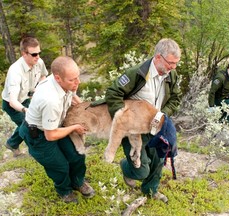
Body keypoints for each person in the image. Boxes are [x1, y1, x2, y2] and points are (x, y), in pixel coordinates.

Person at [105, 38, 182, 203]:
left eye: (176, 63)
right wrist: (123, 118)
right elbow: (113, 93)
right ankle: (126, 167)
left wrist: (161, 115)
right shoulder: (137, 73)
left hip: (156, 125)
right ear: (158, 57)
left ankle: (150, 191)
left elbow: (175, 99)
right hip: (134, 128)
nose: (173, 67)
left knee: (159, 158)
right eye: (171, 63)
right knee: (141, 170)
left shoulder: (172, 75)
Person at [18, 56, 95, 203]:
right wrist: (75, 127)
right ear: (58, 78)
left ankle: (78, 182)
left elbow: (72, 95)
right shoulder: (50, 100)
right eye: (72, 80)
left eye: (77, 77)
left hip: (57, 126)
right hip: (39, 135)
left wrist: (85, 109)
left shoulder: (65, 84)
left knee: (77, 155)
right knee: (59, 166)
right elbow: (51, 135)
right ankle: (64, 190)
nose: (77, 82)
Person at [1, 37, 48, 157]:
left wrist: (40, 89)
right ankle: (37, 152)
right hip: (12, 103)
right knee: (29, 125)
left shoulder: (39, 62)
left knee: (29, 122)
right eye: (34, 54)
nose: (37, 56)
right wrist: (25, 110)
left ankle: (12, 143)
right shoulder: (15, 71)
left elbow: (43, 76)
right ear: (24, 54)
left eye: (39, 53)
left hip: (27, 98)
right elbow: (12, 101)